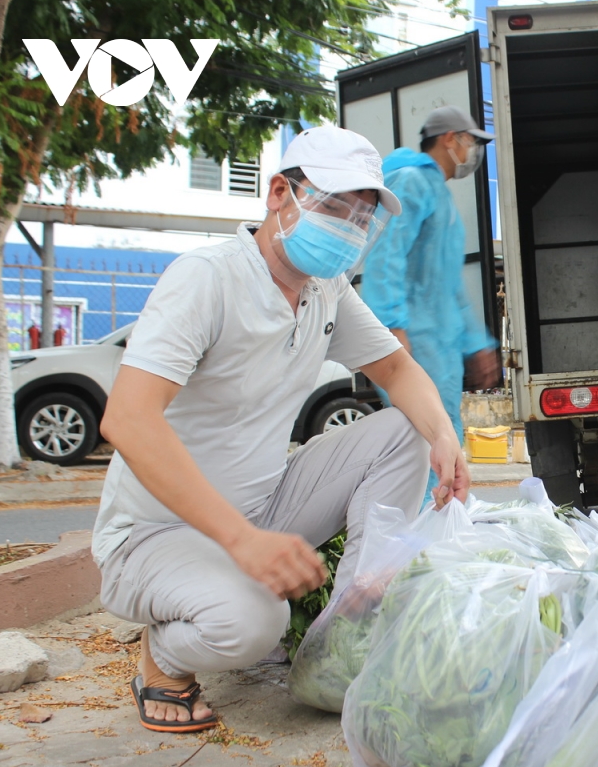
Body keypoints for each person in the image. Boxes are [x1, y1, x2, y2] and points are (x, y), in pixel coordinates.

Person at [94, 126, 469, 733]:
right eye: (335, 207)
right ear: (278, 194)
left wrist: (444, 437)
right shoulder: (207, 279)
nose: (349, 229)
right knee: (252, 624)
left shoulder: (326, 291)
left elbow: (397, 370)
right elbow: (127, 420)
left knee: (408, 430)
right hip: (156, 533)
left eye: (362, 218)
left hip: (265, 507)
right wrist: (242, 542)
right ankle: (163, 658)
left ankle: (346, 633)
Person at [362, 106, 499, 499]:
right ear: (449, 139)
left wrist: (476, 343)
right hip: (416, 340)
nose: (474, 150)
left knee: (441, 436)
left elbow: (450, 283)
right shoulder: (411, 182)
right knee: (422, 440)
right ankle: (427, 533)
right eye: (471, 141)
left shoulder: (439, 194)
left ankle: (440, 525)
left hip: (438, 342)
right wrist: (391, 326)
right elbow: (385, 254)